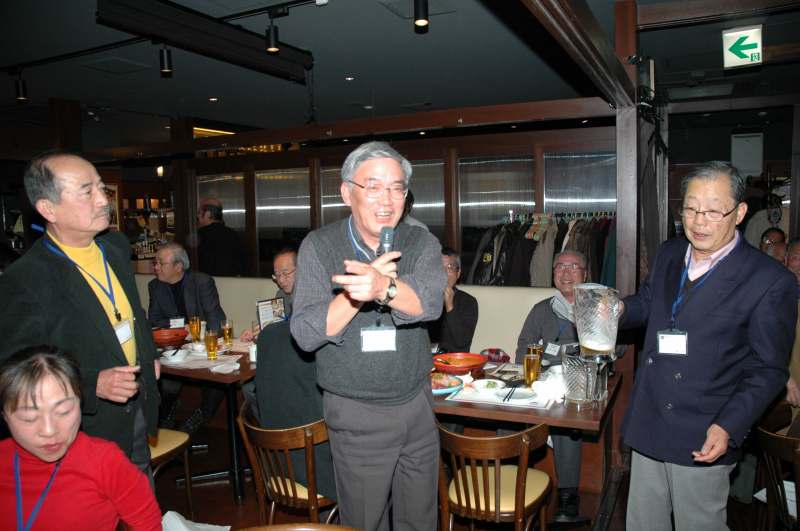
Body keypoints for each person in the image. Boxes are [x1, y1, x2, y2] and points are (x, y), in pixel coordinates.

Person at [620, 161, 796, 531]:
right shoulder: (670, 253)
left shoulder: (769, 280)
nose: (699, 221)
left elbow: (768, 369)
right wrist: (615, 309)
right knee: (643, 523)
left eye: (714, 211)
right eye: (690, 208)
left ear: (740, 213)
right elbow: (648, 302)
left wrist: (729, 425)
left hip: (703, 428)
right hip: (650, 415)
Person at [290, 141, 446, 531]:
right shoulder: (319, 246)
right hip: (356, 411)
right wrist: (355, 296)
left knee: (421, 521)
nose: (387, 199)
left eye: (396, 188)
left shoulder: (420, 242)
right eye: (373, 187)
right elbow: (305, 334)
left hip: (417, 403)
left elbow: (430, 304)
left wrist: (383, 288)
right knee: (365, 521)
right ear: (347, 192)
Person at [0, 151, 159, 471]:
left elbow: (132, 313)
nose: (103, 200)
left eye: (101, 188)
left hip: (137, 411)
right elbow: (13, 369)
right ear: (48, 209)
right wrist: (92, 384)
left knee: (140, 498)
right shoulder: (26, 278)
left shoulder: (115, 248)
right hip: (86, 429)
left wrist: (148, 354)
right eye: (87, 192)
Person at [0, 345, 162, 531]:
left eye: (63, 411)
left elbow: (148, 523)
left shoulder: (105, 462)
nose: (49, 430)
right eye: (29, 418)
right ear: (4, 416)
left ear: (80, 403)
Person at [514, 249, 586, 522]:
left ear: (585, 273)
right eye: (560, 266)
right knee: (507, 417)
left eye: (573, 267)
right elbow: (523, 348)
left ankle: (568, 497)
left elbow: (618, 347)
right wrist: (537, 374)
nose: (566, 272)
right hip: (544, 381)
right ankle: (513, 484)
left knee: (566, 422)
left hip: (581, 382)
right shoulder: (542, 309)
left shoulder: (596, 305)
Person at [148, 242, 226, 432]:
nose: (156, 267)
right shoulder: (155, 286)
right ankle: (166, 416)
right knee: (167, 381)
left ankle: (199, 418)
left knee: (217, 378)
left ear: (179, 266)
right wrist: (182, 328)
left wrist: (199, 334)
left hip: (203, 343)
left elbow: (216, 319)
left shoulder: (202, 282)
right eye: (155, 262)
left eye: (161, 263)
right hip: (174, 344)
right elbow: (154, 320)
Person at [428, 247, 478, 353]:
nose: (443, 273)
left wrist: (450, 306)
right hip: (426, 359)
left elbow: (462, 342)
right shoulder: (423, 298)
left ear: (458, 273)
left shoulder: (468, 302)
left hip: (454, 360)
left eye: (449, 267)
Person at [196, 197, 247, 277]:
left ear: (208, 214)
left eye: (199, 213)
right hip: (233, 282)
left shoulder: (199, 236)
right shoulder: (234, 235)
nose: (197, 216)